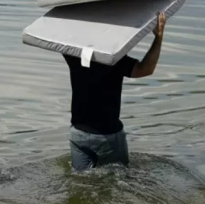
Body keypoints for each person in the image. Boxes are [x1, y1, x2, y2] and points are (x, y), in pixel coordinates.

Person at [64, 11, 166, 171]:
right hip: (108, 135)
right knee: (118, 178)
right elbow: (146, 69)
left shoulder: (72, 54)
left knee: (81, 183)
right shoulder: (115, 60)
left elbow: (62, 34)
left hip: (78, 134)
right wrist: (158, 37)